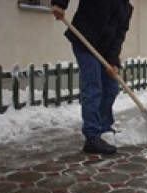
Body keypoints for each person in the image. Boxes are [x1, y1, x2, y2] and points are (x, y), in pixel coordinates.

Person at [51, 0, 133, 154]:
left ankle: (104, 129)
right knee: (93, 87)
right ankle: (92, 137)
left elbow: (118, 37)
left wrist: (113, 61)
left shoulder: (126, 8)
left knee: (111, 88)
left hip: (104, 51)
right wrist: (59, 4)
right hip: (84, 41)